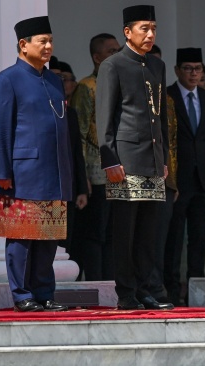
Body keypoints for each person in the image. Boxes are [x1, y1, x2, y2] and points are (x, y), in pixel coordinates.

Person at [0, 16, 72, 312]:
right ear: (23, 45)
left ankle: (45, 293)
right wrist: (0, 172)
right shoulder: (6, 80)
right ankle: (22, 295)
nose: (48, 46)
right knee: (22, 238)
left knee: (48, 238)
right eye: (42, 41)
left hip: (55, 172)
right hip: (21, 174)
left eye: (50, 41)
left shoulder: (53, 80)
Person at [96, 5, 173, 311]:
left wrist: (164, 157)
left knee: (147, 234)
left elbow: (161, 117)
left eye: (153, 28)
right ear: (127, 32)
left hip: (152, 160)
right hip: (124, 162)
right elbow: (105, 118)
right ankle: (126, 292)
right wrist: (110, 159)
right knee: (125, 233)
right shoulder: (113, 65)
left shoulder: (157, 66)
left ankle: (144, 290)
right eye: (144, 28)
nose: (150, 34)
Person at [164, 48, 205, 306]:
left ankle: (196, 294)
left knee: (198, 239)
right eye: (188, 68)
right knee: (173, 240)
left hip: (203, 180)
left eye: (198, 68)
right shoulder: (167, 97)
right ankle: (171, 293)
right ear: (177, 70)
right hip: (177, 180)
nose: (194, 73)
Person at [69, 33, 120, 281]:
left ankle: (113, 289)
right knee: (95, 234)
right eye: (111, 51)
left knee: (114, 236)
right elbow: (78, 133)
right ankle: (98, 287)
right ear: (97, 57)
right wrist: (83, 177)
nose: (117, 54)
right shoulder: (87, 87)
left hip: (120, 172)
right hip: (97, 172)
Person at [49, 56, 89, 261]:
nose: (61, 83)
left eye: (64, 78)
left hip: (68, 188)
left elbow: (76, 153)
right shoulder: (36, 107)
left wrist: (81, 188)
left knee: (66, 242)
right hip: (44, 186)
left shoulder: (70, 113)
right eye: (56, 77)